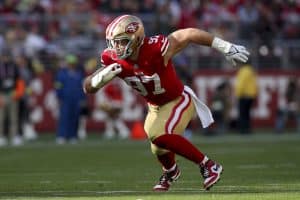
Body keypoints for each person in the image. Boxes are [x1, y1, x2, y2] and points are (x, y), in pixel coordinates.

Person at [83, 15, 249, 191]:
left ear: (136, 38)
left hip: (178, 100)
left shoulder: (155, 49)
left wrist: (224, 46)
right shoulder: (111, 58)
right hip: (155, 107)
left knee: (159, 135)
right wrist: (97, 81)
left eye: (122, 42)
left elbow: (189, 34)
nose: (117, 47)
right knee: (158, 148)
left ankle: (208, 165)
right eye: (113, 42)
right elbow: (88, 88)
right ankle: (171, 172)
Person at [54, 54, 86, 144]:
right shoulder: (61, 74)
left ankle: (73, 136)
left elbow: (82, 87)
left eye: (73, 63)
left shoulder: (79, 74)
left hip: (76, 99)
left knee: (75, 118)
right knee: (64, 117)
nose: (71, 65)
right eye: (70, 63)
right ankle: (61, 136)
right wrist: (59, 97)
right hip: (65, 99)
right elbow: (58, 87)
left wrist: (83, 98)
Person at [235, 64, 258, 134]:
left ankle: (243, 129)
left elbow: (241, 83)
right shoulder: (251, 71)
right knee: (247, 114)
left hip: (244, 95)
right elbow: (255, 83)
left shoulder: (243, 71)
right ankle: (248, 129)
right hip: (251, 95)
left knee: (242, 113)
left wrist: (238, 94)